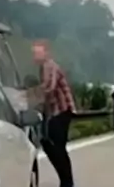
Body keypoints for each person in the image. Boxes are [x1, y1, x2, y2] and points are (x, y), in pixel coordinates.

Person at [32, 40, 77, 187]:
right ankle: (65, 181)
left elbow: (48, 89)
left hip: (61, 111)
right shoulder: (42, 67)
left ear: (46, 53)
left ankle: (67, 182)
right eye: (34, 52)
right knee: (48, 143)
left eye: (38, 52)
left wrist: (28, 97)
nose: (35, 55)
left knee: (57, 147)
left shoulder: (50, 67)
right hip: (53, 112)